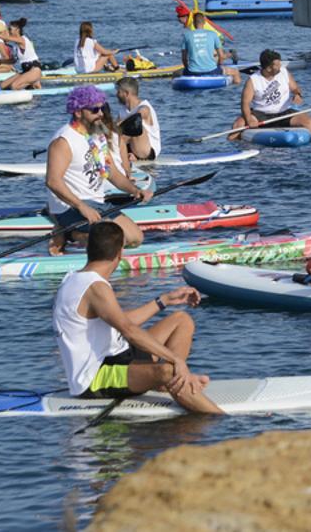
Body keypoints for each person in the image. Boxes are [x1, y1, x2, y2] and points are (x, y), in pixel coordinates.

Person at [52, 221, 221, 413]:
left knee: (181, 320)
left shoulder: (74, 279)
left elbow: (120, 322)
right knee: (168, 369)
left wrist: (164, 300)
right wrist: (176, 360)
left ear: (88, 249)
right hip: (96, 376)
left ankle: (169, 383)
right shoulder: (96, 287)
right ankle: (221, 418)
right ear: (120, 253)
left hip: (118, 355)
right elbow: (129, 331)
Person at [45, 86, 153, 256]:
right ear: (78, 112)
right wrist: (82, 207)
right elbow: (53, 181)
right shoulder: (63, 141)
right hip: (69, 206)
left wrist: (135, 190)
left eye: (102, 108)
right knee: (115, 243)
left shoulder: (98, 134)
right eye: (95, 110)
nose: (101, 114)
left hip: (96, 202)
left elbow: (111, 172)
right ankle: (68, 232)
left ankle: (74, 233)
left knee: (135, 238)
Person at [229, 49, 311, 139]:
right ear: (268, 68)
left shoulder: (284, 72)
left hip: (285, 113)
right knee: (238, 125)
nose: (280, 66)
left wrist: (297, 94)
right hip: (261, 114)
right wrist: (249, 120)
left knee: (310, 124)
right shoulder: (253, 80)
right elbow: (245, 103)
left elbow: (295, 88)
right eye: (277, 65)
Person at [177, 5, 241, 84]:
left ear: (186, 17)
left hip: (218, 37)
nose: (178, 20)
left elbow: (186, 55)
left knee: (213, 55)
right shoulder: (192, 25)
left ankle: (231, 54)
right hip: (210, 41)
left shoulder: (190, 31)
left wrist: (188, 68)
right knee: (211, 55)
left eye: (179, 17)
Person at [114, 76, 161, 163]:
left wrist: (116, 126)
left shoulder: (145, 107)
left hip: (147, 152)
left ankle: (131, 155)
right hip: (131, 148)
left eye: (119, 92)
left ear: (126, 93)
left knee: (135, 124)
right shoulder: (122, 111)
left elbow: (138, 117)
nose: (116, 94)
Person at [0, 18, 43, 90]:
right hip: (25, 71)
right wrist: (0, 62)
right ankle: (31, 83)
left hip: (35, 70)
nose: (8, 31)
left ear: (17, 29)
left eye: (10, 29)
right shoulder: (15, 45)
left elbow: (6, 38)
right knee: (1, 86)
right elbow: (13, 60)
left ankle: (34, 83)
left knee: (14, 86)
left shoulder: (22, 39)